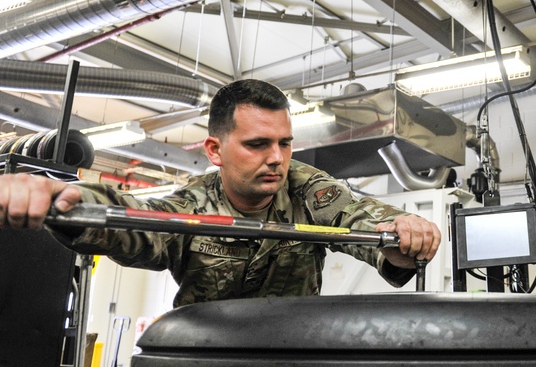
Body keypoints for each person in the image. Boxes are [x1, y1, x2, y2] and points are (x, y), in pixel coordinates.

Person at [0, 79, 440, 307]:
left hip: (290, 360)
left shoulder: (305, 187)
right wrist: (63, 198)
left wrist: (403, 235)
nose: (277, 158)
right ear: (215, 149)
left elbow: (364, 219)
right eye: (257, 144)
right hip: (203, 361)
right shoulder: (193, 205)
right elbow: (137, 222)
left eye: (284, 143)